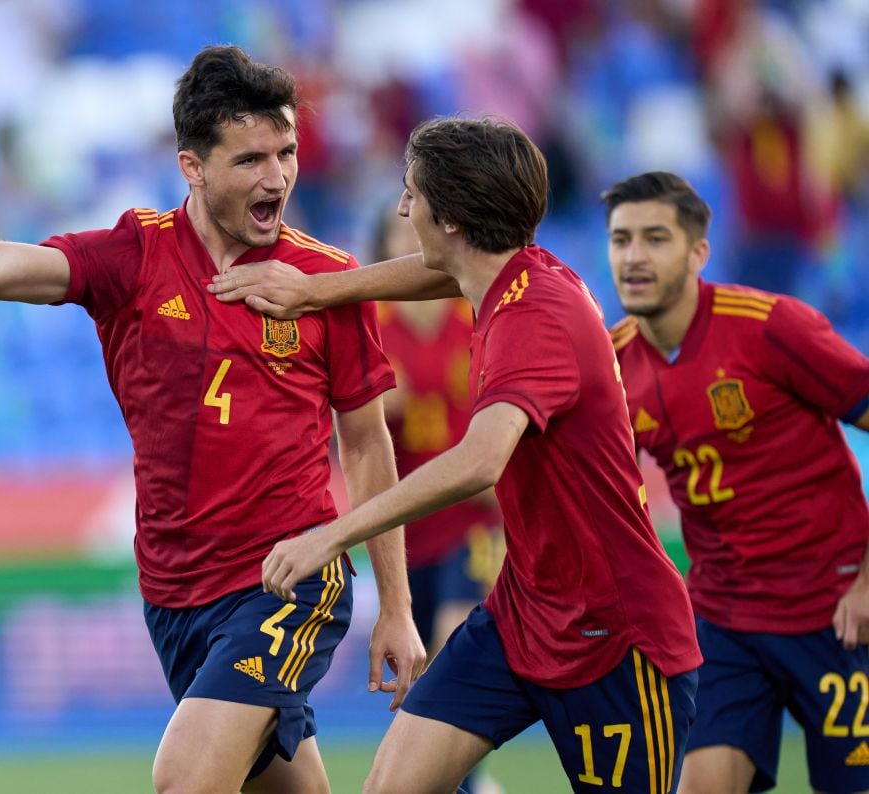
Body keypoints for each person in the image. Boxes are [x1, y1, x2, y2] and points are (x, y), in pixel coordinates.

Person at [0, 45, 425, 794]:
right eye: (250, 160)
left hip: (289, 577)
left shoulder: (331, 280)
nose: (276, 176)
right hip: (173, 595)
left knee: (184, 779)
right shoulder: (134, 256)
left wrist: (396, 610)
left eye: (287, 152)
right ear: (193, 167)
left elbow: (369, 446)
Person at [214, 117, 702, 793]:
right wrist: (317, 290)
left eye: (412, 194)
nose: (403, 209)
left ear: (450, 220)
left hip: (618, 637)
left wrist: (334, 534)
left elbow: (479, 462)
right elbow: (431, 275)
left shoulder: (538, 318)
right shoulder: (509, 274)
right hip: (524, 612)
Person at [600, 171, 869, 794]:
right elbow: (599, 496)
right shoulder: (613, 364)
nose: (634, 257)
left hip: (833, 611)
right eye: (620, 240)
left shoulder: (772, 327)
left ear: (698, 253)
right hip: (723, 617)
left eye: (655, 238)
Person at [372, 207, 505, 794]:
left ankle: (467, 783)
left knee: (455, 643)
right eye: (397, 235)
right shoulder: (368, 328)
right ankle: (460, 781)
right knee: (422, 670)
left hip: (471, 522)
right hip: (404, 536)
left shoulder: (475, 317)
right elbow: (337, 435)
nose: (411, 244)